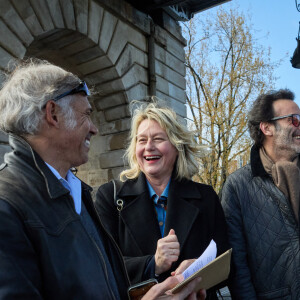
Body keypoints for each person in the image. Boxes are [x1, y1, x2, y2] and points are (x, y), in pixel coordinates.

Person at [0, 59, 206, 300]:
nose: (94, 128)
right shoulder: (6, 206)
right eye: (86, 114)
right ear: (53, 114)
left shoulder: (75, 193)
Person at [96, 101, 229, 300]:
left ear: (177, 147)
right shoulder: (110, 197)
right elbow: (99, 264)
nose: (149, 147)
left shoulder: (205, 197)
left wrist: (199, 269)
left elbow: (227, 262)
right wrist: (153, 264)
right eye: (141, 140)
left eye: (158, 139)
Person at [221, 89, 300, 299]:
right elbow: (237, 266)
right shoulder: (237, 186)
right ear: (266, 127)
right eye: (293, 120)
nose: (299, 125)